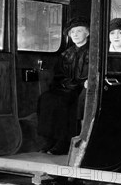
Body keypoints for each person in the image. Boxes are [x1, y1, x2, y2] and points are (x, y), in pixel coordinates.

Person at [36, 17, 90, 155]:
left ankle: (64, 141)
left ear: (87, 33)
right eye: (73, 32)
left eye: (79, 31)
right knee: (47, 98)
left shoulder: (93, 52)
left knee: (64, 101)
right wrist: (66, 84)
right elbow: (59, 75)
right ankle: (50, 138)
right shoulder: (66, 54)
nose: (76, 35)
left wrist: (80, 84)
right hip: (67, 86)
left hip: (81, 89)